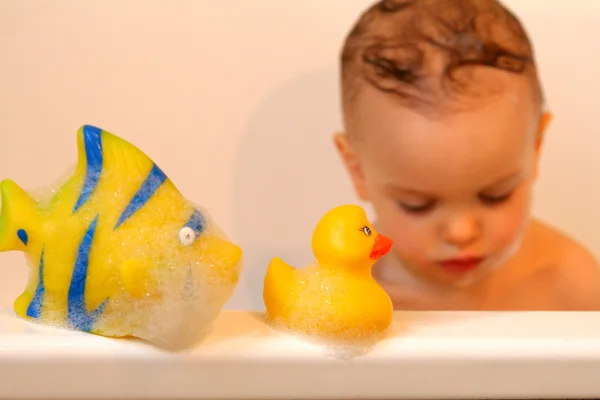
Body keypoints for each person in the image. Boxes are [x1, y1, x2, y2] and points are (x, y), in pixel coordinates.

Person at [333, 0, 600, 310]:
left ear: (536, 148)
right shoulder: (341, 294)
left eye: (495, 196)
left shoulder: (571, 284)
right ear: (358, 171)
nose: (461, 232)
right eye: (417, 205)